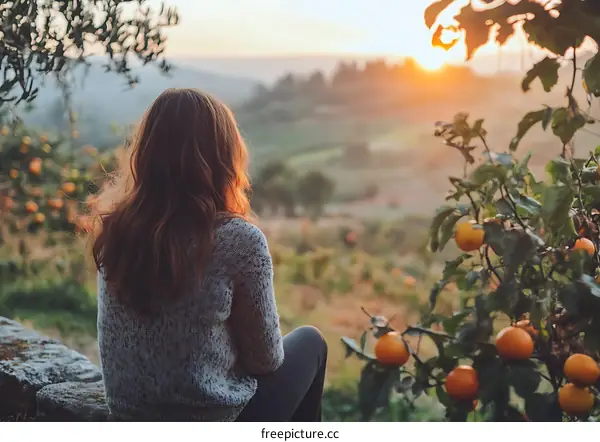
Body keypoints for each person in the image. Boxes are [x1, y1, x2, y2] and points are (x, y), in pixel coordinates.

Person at [90, 88, 328, 422]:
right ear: (224, 158)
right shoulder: (237, 240)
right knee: (311, 343)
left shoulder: (117, 230)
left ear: (146, 154)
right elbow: (266, 361)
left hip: (131, 418)